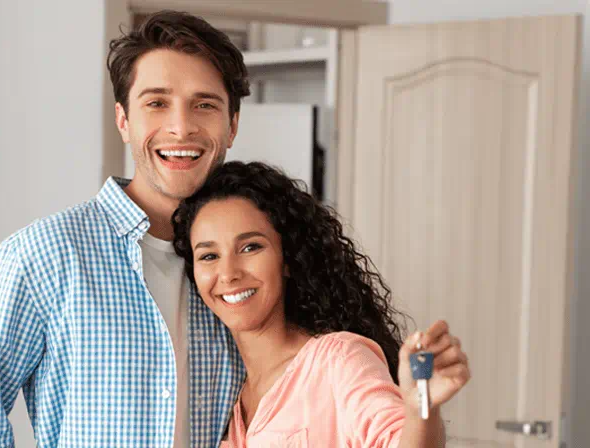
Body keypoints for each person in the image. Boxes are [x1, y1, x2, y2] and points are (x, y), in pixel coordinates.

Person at [0, 11, 251, 447]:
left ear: (231, 124)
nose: (181, 127)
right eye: (157, 103)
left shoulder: (252, 266)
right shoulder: (41, 256)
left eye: (205, 104)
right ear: (123, 120)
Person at [171, 161, 473, 447]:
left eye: (251, 247)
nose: (229, 274)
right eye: (209, 256)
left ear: (286, 259)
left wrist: (422, 408)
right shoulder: (227, 397)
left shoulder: (338, 361)